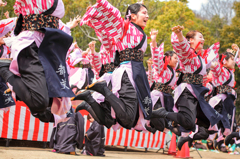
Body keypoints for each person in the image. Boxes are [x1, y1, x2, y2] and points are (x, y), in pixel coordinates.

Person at [75, 0, 152, 131]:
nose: (147, 16)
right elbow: (114, 13)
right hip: (127, 73)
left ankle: (89, 100)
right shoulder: (124, 27)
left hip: (134, 74)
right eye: (144, 13)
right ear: (133, 16)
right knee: (127, 120)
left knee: (110, 120)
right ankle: (103, 89)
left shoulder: (139, 32)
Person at [0, 0, 80, 120]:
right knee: (40, 103)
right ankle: (3, 67)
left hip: (46, 45)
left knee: (50, 99)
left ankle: (13, 77)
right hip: (32, 43)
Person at [151, 25, 222, 150]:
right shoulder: (187, 54)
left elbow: (210, 65)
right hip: (187, 91)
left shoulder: (200, 58)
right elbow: (182, 46)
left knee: (209, 125)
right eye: (200, 37)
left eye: (203, 37)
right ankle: (164, 114)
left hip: (197, 93)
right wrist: (179, 34)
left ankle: (186, 137)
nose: (203, 39)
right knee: (189, 122)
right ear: (191, 41)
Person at [145, 29, 178, 134]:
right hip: (157, 97)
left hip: (167, 98)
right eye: (175, 58)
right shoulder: (161, 68)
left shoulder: (173, 72)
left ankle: (152, 125)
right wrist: (154, 40)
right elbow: (155, 56)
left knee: (166, 124)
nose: (177, 60)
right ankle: (149, 123)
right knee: (160, 122)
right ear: (168, 58)